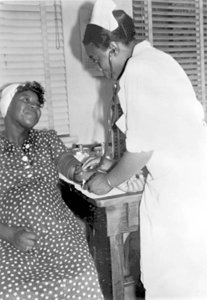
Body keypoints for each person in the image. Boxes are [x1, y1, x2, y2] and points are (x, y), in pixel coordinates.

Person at [82, 0, 207, 299]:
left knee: (174, 280)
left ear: (112, 48)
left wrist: (107, 180)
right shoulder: (157, 61)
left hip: (181, 193)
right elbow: (147, 131)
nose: (99, 68)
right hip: (189, 183)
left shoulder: (138, 69)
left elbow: (141, 151)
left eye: (96, 59)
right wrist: (111, 162)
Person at [0, 81, 104, 300]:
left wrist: (82, 171)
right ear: (6, 106)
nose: (34, 107)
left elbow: (67, 162)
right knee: (11, 292)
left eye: (38, 105)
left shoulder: (46, 139)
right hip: (11, 236)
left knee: (83, 278)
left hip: (60, 234)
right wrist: (9, 234)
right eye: (25, 100)